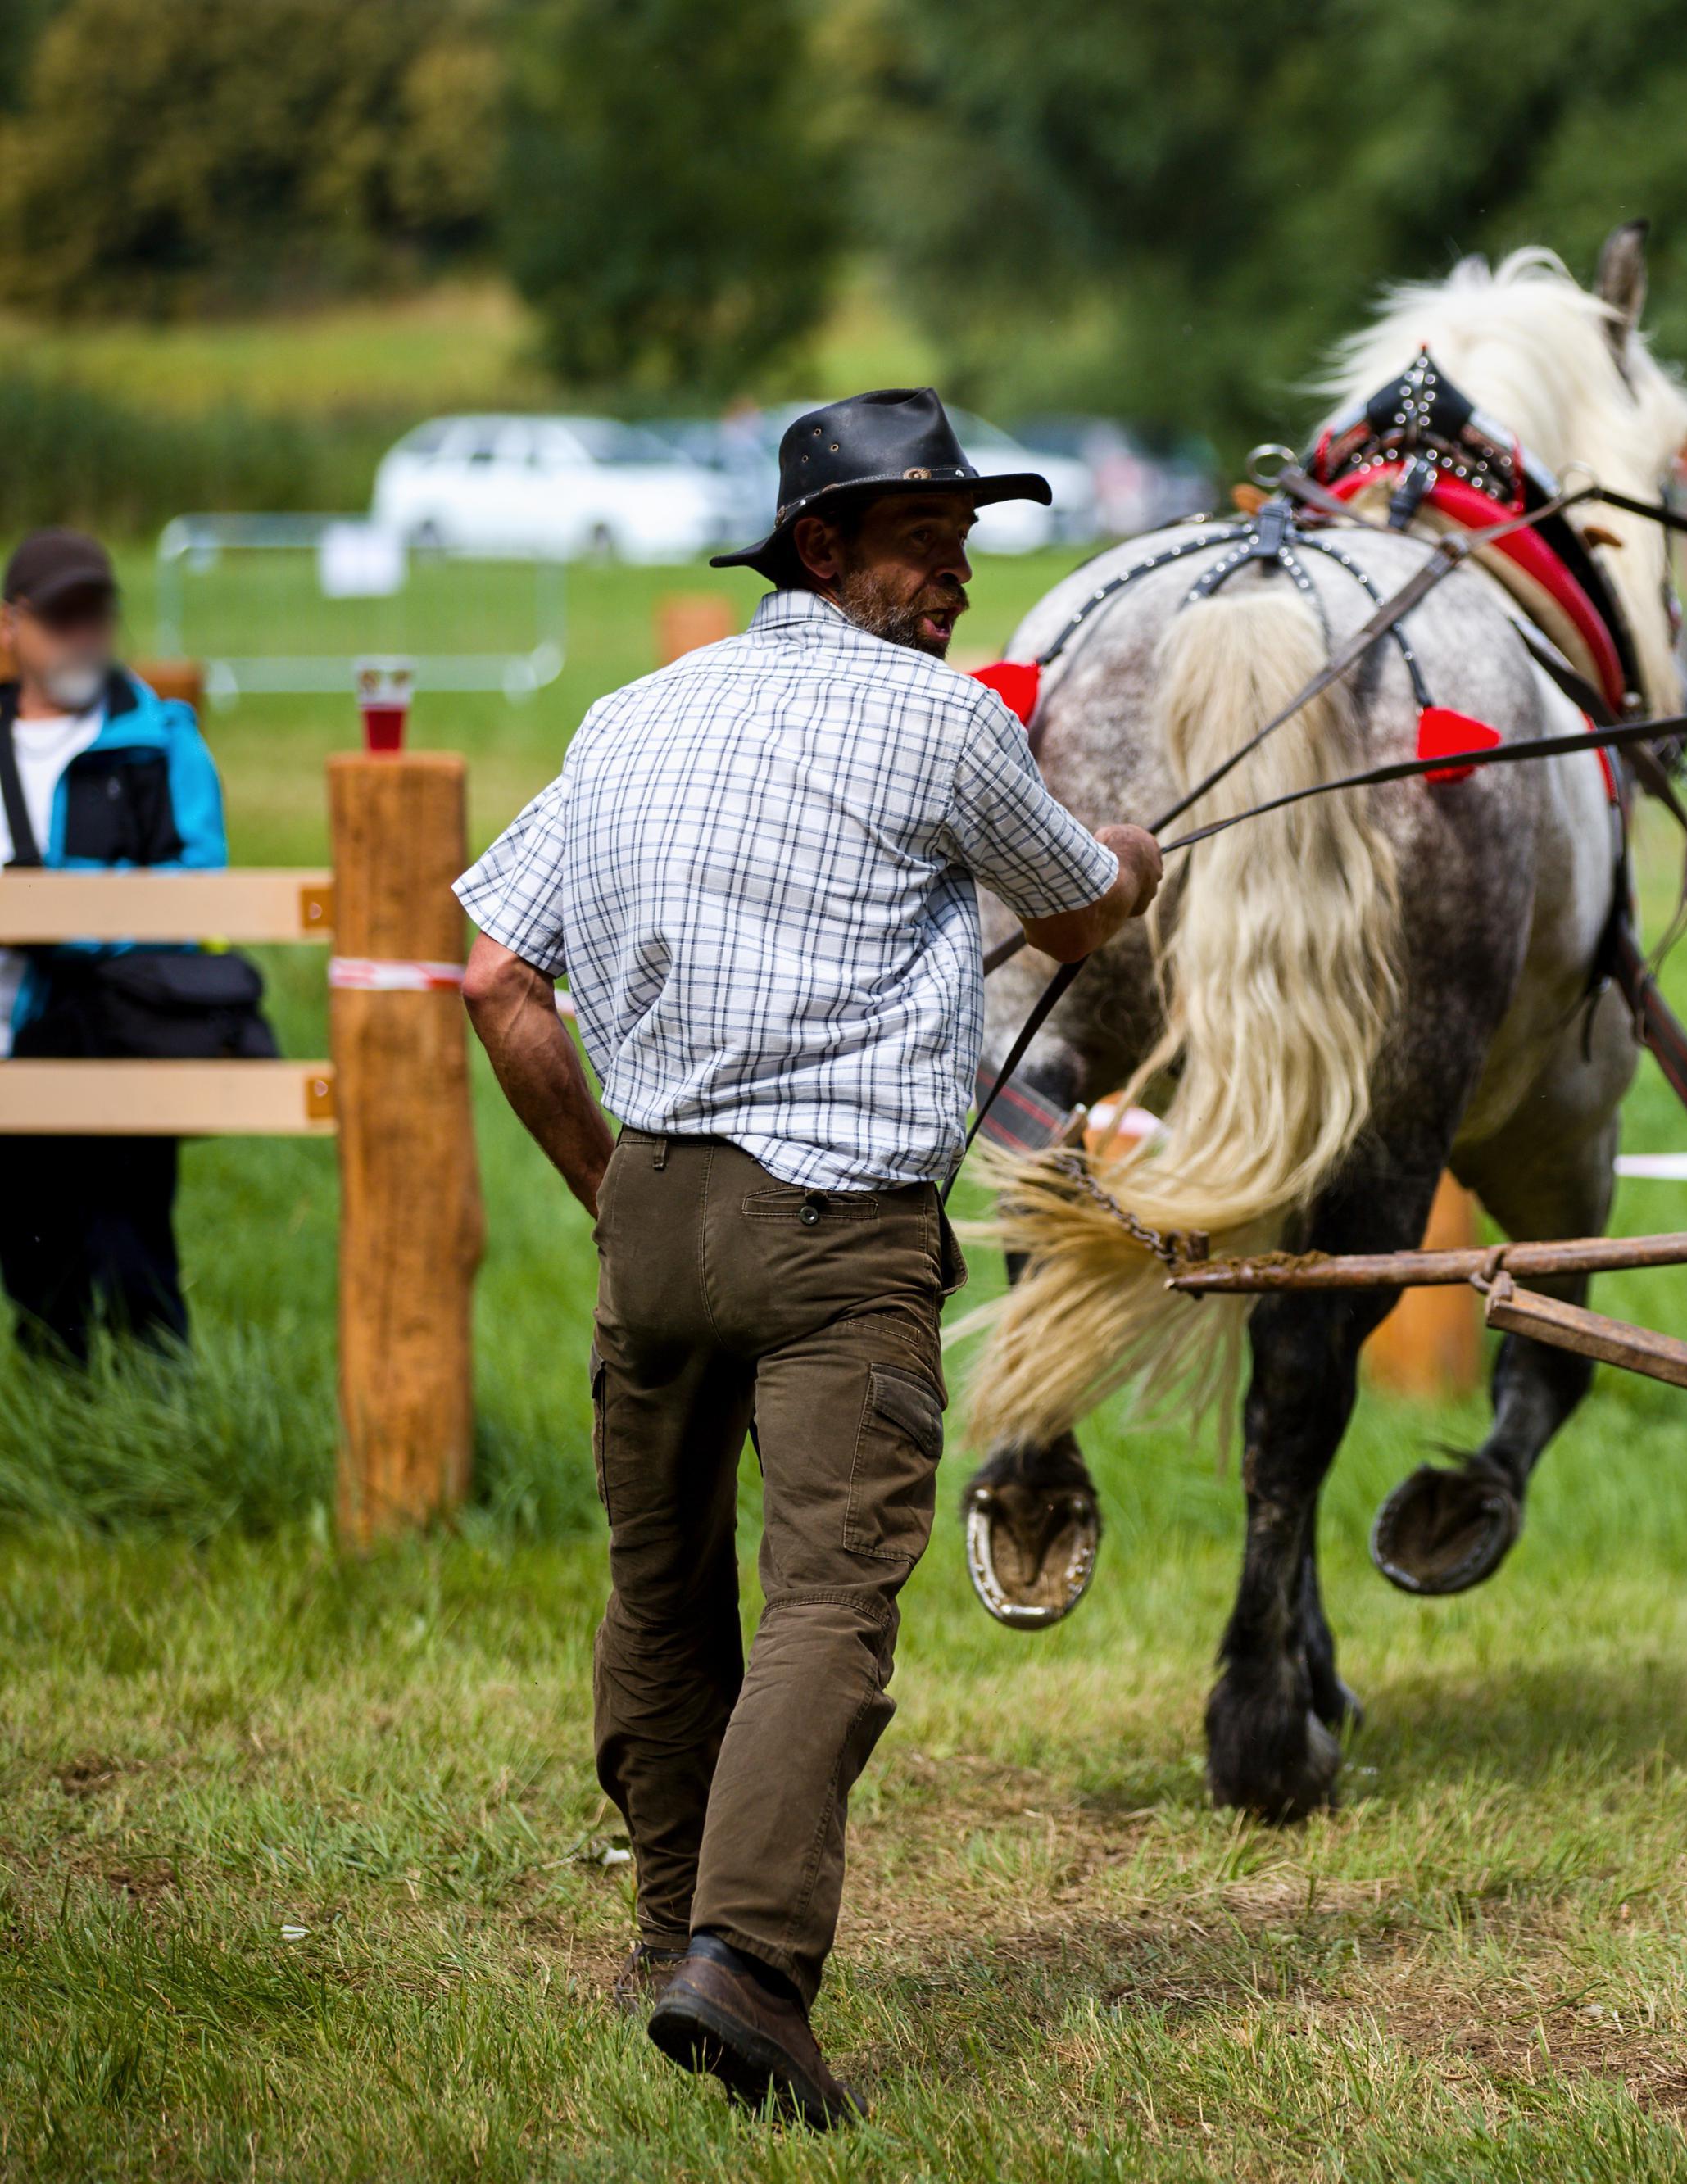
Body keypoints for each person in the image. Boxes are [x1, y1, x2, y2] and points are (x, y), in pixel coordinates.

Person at [456, 389, 1163, 2127]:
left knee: (664, 1588)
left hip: (656, 1214)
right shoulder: (944, 724)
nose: (957, 577)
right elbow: (1078, 906)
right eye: (927, 542)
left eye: (966, 544)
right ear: (822, 548)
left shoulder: (629, 714)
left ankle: (663, 1936)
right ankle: (749, 1967)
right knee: (831, 1599)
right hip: (842, 1232)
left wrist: (610, 1184)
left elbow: (495, 981)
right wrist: (1139, 859)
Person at [0, 528, 253, 1362]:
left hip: (124, 1030)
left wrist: (54, 905)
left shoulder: (162, 739)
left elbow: (200, 885)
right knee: (33, 1261)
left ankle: (162, 1419)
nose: (83, 634)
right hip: (8, 1041)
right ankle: (61, 1418)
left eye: (97, 614)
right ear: (11, 624)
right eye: (61, 616)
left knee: (134, 1252)